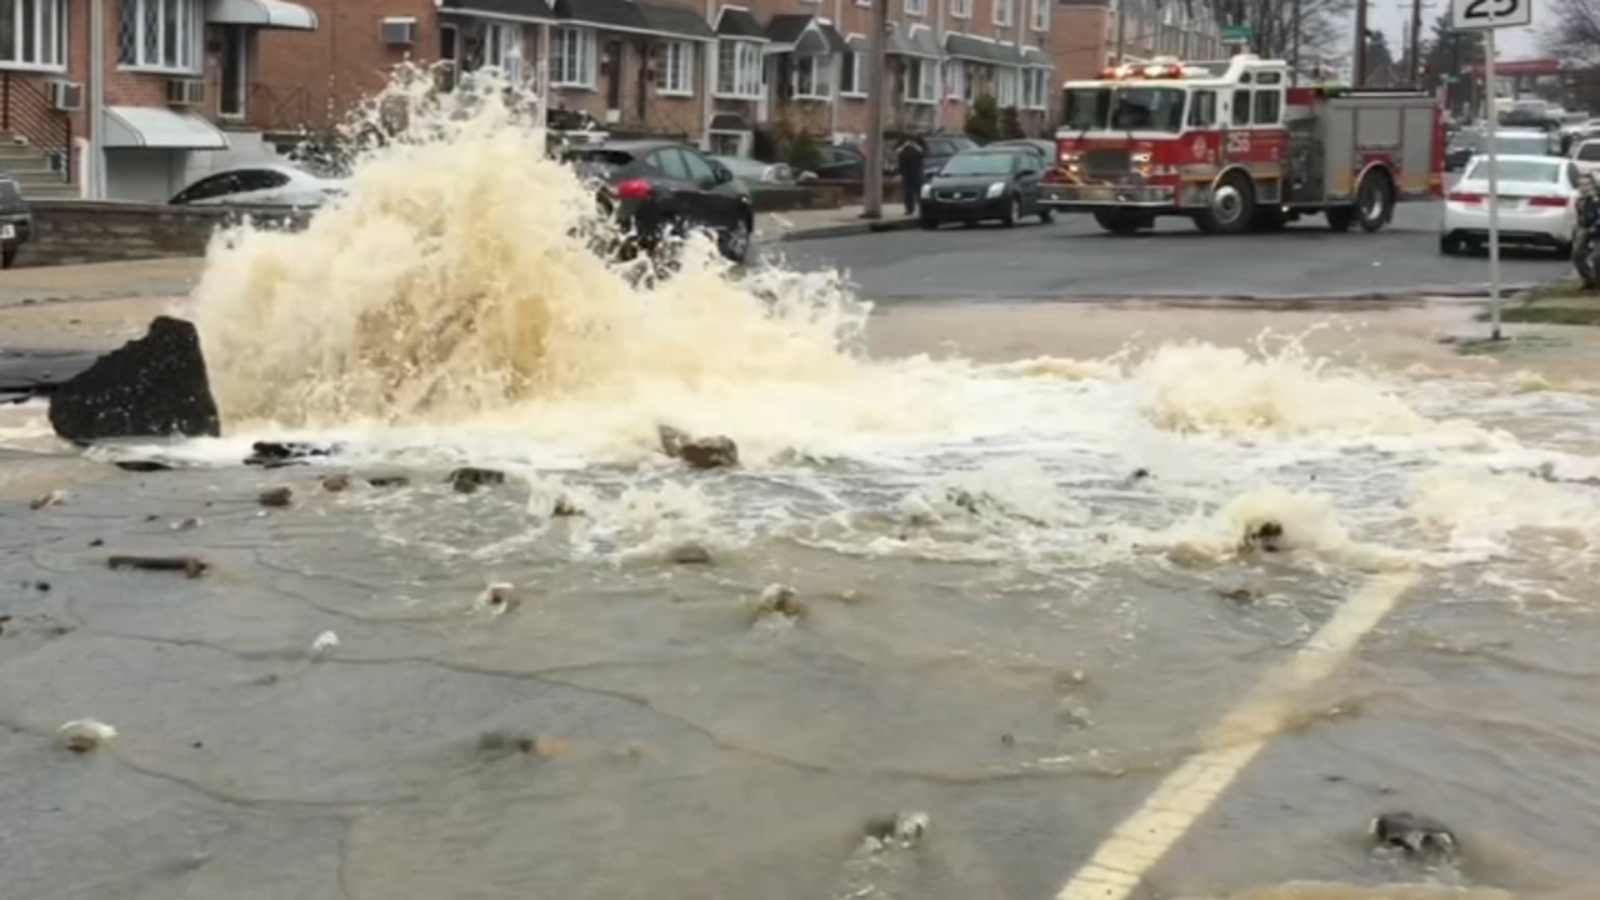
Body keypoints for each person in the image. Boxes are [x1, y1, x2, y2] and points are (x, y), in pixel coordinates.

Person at [1574, 173, 1600, 288]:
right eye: (1581, 185)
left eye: (1587, 185)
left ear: (1593, 185)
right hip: (1586, 228)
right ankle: (1589, 281)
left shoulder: (1597, 200)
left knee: (1597, 257)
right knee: (1577, 254)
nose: (1584, 188)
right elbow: (1581, 217)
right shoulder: (1581, 201)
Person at [895, 135, 926, 216]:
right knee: (908, 191)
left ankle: (922, 209)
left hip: (916, 169)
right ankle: (909, 209)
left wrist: (915, 146)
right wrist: (905, 145)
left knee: (919, 190)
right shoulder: (901, 140)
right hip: (905, 169)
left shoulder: (919, 139)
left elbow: (924, 152)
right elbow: (896, 151)